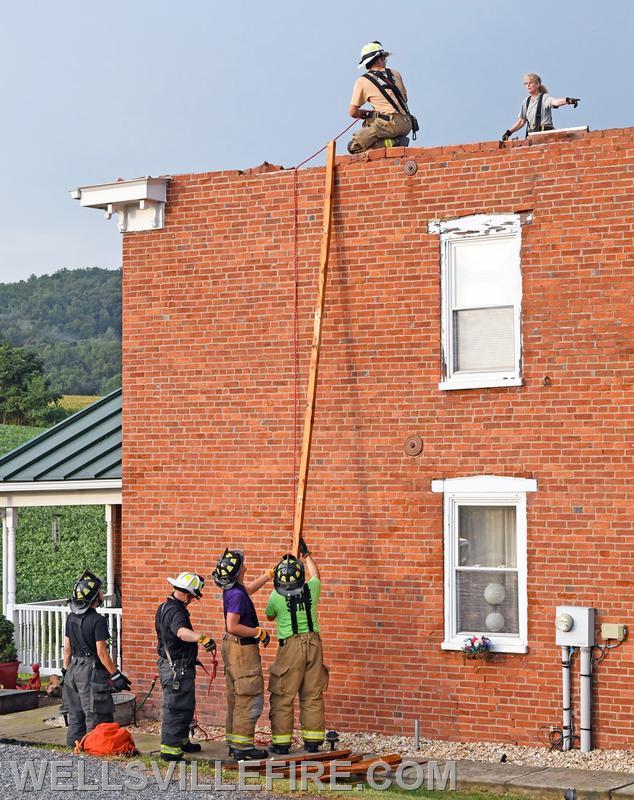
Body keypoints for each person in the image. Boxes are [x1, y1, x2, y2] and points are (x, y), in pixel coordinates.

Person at [266, 539, 328, 754]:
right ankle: (312, 743)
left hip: (290, 646)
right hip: (313, 644)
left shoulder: (275, 596)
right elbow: (316, 575)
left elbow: (269, 615)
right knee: (312, 694)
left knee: (283, 694)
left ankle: (282, 744)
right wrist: (306, 554)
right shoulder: (312, 588)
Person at [212, 548, 274, 760]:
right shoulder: (237, 594)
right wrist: (258, 631)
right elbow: (232, 625)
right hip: (242, 650)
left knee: (236, 696)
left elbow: (248, 589)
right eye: (243, 564)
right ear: (238, 570)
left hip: (233, 648)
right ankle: (244, 749)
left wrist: (268, 575)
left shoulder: (234, 589)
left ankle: (234, 742)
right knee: (248, 695)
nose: (246, 565)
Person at [62, 570, 131, 748]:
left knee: (76, 714)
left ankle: (73, 748)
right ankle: (95, 750)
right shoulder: (98, 620)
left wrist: (66, 671)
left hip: (73, 669)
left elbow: (67, 650)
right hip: (90, 671)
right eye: (100, 592)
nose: (102, 595)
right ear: (94, 599)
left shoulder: (70, 617)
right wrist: (116, 675)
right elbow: (102, 653)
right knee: (95, 713)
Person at [155, 571, 216, 762]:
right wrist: (201, 637)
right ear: (188, 594)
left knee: (185, 706)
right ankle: (170, 751)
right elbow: (181, 632)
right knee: (176, 708)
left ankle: (182, 741)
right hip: (177, 669)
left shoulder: (165, 606)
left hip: (178, 666)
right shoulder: (176, 611)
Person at [347, 41, 416, 154]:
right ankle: (394, 141)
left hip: (390, 125)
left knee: (354, 146)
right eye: (384, 58)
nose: (385, 61)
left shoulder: (363, 81)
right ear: (379, 59)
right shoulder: (395, 73)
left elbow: (352, 112)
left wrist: (365, 114)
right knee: (372, 126)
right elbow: (404, 99)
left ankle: (395, 142)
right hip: (407, 123)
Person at [502, 73, 580, 140]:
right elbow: (521, 121)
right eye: (526, 83)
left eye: (531, 82)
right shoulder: (526, 101)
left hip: (545, 134)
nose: (528, 85)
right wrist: (509, 132)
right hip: (532, 136)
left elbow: (555, 102)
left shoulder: (544, 97)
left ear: (537, 84)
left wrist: (567, 100)